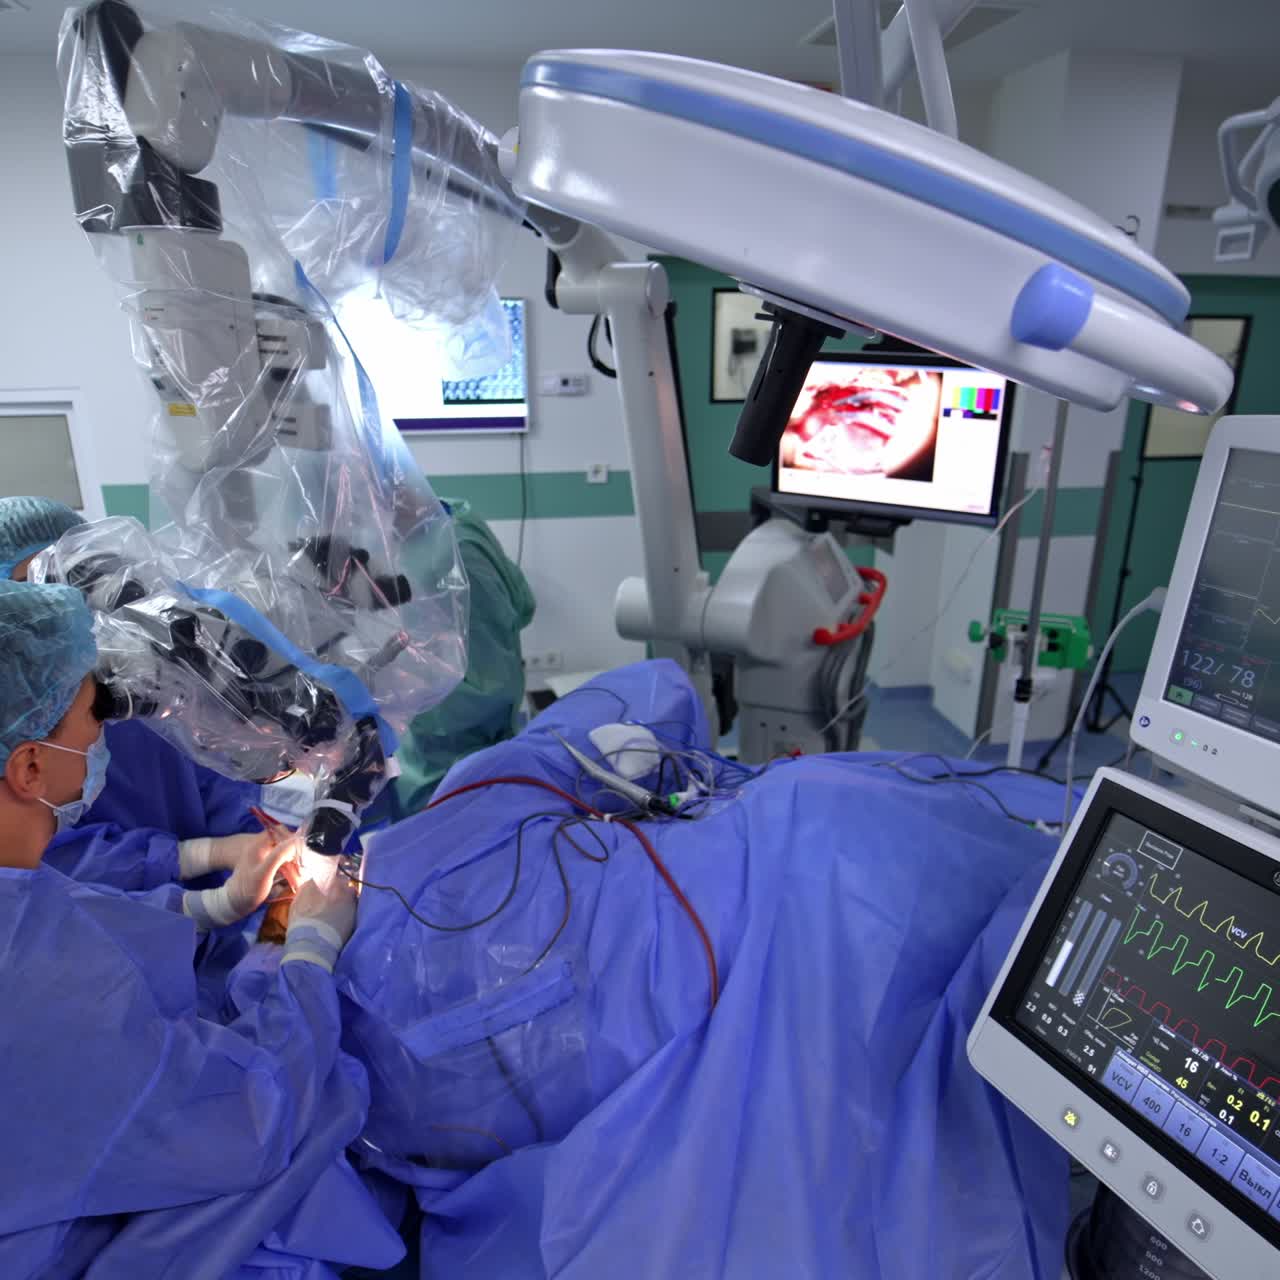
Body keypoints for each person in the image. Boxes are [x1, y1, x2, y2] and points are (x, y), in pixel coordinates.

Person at [0, 579, 400, 1277]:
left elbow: (69, 916)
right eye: (94, 715)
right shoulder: (47, 985)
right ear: (31, 764)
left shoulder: (27, 900)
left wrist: (213, 904)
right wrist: (306, 949)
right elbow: (248, 1119)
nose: (104, 735)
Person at [0, 495, 265, 888]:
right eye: (36, 590)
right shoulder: (22, 718)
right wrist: (193, 864)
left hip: (221, 910)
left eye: (72, 577)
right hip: (103, 924)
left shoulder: (155, 670)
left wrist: (257, 849)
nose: (66, 603)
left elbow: (225, 779)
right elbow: (40, 855)